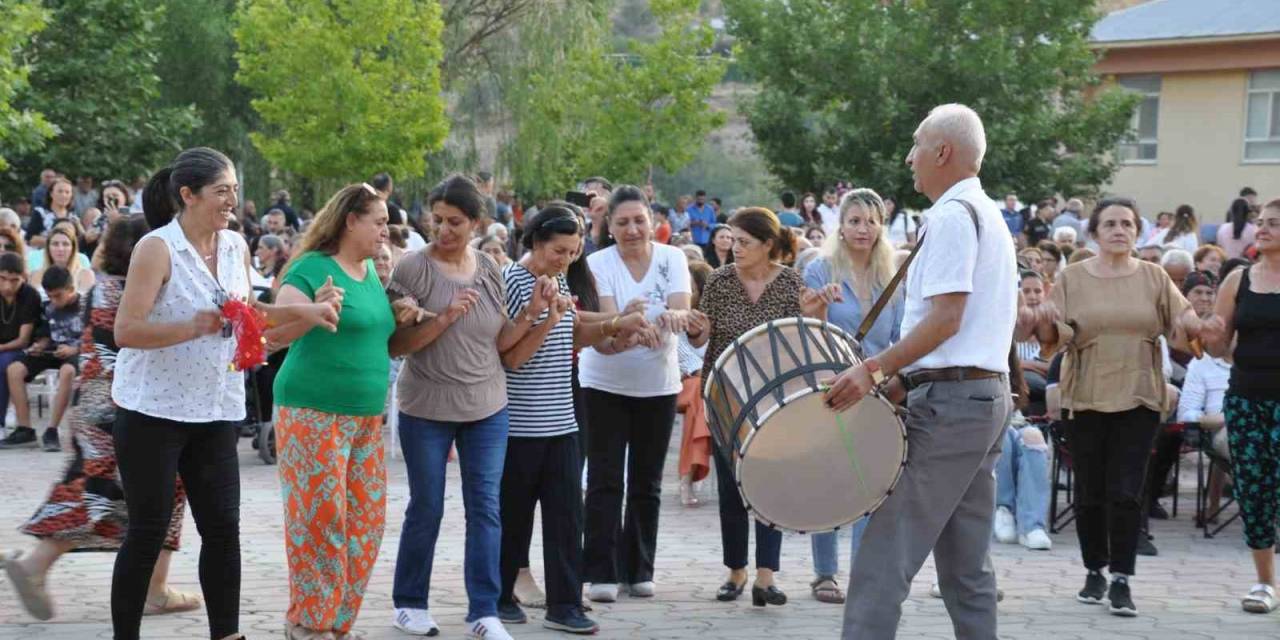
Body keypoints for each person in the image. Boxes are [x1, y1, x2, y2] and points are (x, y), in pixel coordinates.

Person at [110, 147, 338, 640]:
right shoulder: (157, 247)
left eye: (235, 189)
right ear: (188, 195)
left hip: (216, 408)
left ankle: (227, 634)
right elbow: (126, 330)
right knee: (148, 532)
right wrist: (190, 327)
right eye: (222, 191)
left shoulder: (235, 244)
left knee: (222, 531)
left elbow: (246, 309)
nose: (232, 199)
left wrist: (308, 313)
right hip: (153, 410)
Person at [825, 104, 1017, 640]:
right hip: (979, 399)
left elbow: (949, 318)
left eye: (916, 145)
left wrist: (877, 369)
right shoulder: (985, 213)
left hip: (954, 408)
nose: (909, 157)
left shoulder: (955, 216)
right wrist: (904, 379)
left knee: (882, 558)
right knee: (965, 566)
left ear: (943, 152)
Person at [4, 217, 206, 621]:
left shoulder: (102, 288)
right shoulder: (138, 292)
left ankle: (152, 586)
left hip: (96, 402)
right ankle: (40, 565)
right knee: (130, 490)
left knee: (101, 487)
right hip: (127, 406)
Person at [1031, 197, 1204, 617]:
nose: (1119, 230)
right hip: (1086, 392)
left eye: (1127, 223)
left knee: (1126, 491)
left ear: (1136, 230)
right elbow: (1054, 336)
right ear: (1095, 231)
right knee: (1090, 491)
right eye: (1110, 223)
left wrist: (1199, 326)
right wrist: (1046, 319)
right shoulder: (1072, 277)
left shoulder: (1154, 276)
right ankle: (1095, 569)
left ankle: (1122, 579)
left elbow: (1185, 325)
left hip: (1140, 392)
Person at [388, 174, 540, 640]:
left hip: (487, 406)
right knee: (427, 506)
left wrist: (535, 314)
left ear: (475, 223)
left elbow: (501, 342)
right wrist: (447, 316)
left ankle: (484, 610)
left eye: (455, 222)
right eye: (436, 221)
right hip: (426, 407)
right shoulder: (412, 268)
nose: (444, 230)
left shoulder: (491, 267)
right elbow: (398, 345)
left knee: (486, 509)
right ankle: (410, 602)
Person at [496, 204, 645, 634]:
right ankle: (501, 595)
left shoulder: (557, 277)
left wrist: (615, 325)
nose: (566, 260)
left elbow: (572, 329)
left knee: (566, 516)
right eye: (559, 251)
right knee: (515, 515)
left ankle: (564, 604)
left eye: (573, 252)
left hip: (562, 420)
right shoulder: (513, 282)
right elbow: (511, 357)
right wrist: (557, 319)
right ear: (537, 242)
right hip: (520, 424)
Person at [268, 183, 397, 639]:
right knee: (320, 520)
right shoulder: (312, 267)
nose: (386, 229)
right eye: (378, 221)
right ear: (350, 221)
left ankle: (336, 622)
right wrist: (314, 305)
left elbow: (376, 333)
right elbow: (282, 312)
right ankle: (309, 621)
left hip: (365, 418)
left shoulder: (370, 273)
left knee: (366, 524)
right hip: (311, 410)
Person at [690, 206, 831, 608]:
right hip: (725, 397)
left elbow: (805, 338)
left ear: (768, 245)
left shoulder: (790, 283)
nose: (734, 248)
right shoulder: (717, 282)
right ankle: (736, 570)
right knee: (731, 487)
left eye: (744, 242)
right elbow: (704, 339)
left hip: (775, 399)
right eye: (732, 240)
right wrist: (698, 332)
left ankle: (766, 575)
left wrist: (814, 314)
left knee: (771, 484)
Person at [579, 185, 692, 604]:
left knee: (647, 481)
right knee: (605, 479)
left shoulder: (674, 258)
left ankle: (639, 568)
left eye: (638, 220)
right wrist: (629, 329)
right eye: (622, 222)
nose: (631, 229)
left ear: (654, 222)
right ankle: (601, 571)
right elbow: (610, 319)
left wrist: (671, 319)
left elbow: (680, 307)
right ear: (609, 226)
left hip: (658, 385)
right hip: (604, 382)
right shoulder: (597, 263)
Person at [801, 188, 903, 605]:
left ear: (882, 226)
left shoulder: (893, 275)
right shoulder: (820, 269)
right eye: (855, 220)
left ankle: (864, 569)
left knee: (873, 482)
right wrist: (819, 307)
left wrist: (891, 381)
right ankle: (824, 574)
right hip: (831, 385)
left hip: (879, 389)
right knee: (830, 478)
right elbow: (805, 332)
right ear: (840, 225)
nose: (863, 229)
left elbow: (900, 338)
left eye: (871, 221)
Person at [1200, 198, 1280, 614]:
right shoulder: (1240, 280)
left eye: (1273, 224)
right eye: (1261, 222)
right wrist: (1210, 331)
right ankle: (1265, 583)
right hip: (1247, 398)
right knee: (1254, 491)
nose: (1261, 229)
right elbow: (1218, 343)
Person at [5, 266, 81, 452]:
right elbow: (45, 334)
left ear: (71, 289)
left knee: (67, 371)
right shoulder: (48, 307)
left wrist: (73, 349)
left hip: (77, 353)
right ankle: (25, 429)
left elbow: (94, 339)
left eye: (58, 296)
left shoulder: (86, 306)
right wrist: (39, 346)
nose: (54, 301)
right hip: (51, 352)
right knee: (14, 369)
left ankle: (52, 430)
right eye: (50, 296)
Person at [676, 260, 713, 507]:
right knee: (701, 395)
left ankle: (688, 476)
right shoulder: (675, 312)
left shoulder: (715, 316)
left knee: (702, 400)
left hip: (712, 382)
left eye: (689, 286)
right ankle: (688, 476)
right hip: (680, 383)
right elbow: (679, 354)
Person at [0, 253, 44, 449]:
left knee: (4, 364)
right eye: (2, 279)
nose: (7, 286)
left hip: (21, 350)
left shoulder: (30, 295)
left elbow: (23, 340)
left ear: (23, 278)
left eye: (14, 280)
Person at [31, 226, 95, 294]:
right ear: (48, 248)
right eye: (55, 244)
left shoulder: (85, 275)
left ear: (73, 248)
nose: (60, 249)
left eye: (65, 244)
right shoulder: (36, 275)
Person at [28, 176, 76, 249]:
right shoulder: (40, 213)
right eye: (60, 191)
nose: (63, 195)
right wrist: (54, 241)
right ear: (51, 194)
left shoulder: (73, 217)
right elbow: (30, 239)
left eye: (67, 192)